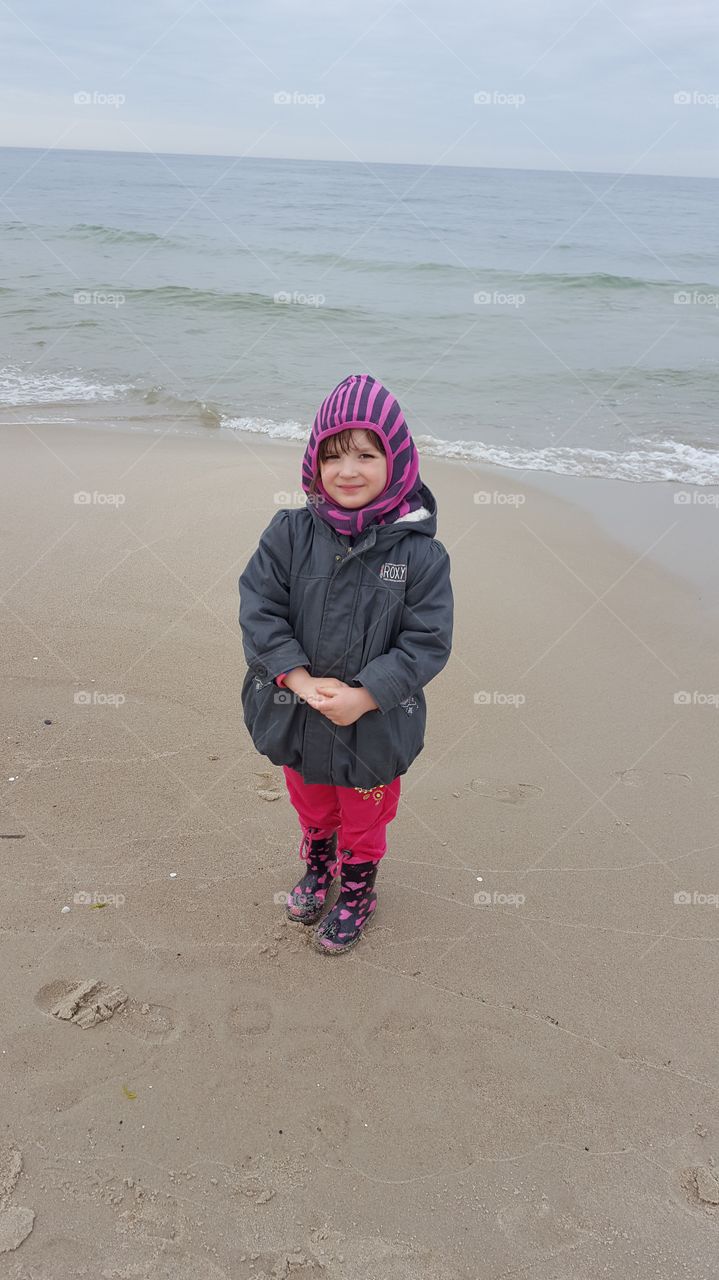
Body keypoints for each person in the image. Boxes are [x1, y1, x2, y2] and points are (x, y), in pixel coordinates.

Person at [238, 373, 453, 955]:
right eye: (333, 455)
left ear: (397, 460)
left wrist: (365, 694)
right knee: (312, 800)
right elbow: (260, 609)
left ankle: (358, 886)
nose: (348, 470)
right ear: (314, 462)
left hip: (376, 724)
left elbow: (427, 640)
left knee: (365, 813)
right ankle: (318, 862)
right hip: (295, 711)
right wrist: (299, 679)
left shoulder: (420, 555)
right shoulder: (288, 533)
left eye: (365, 453)